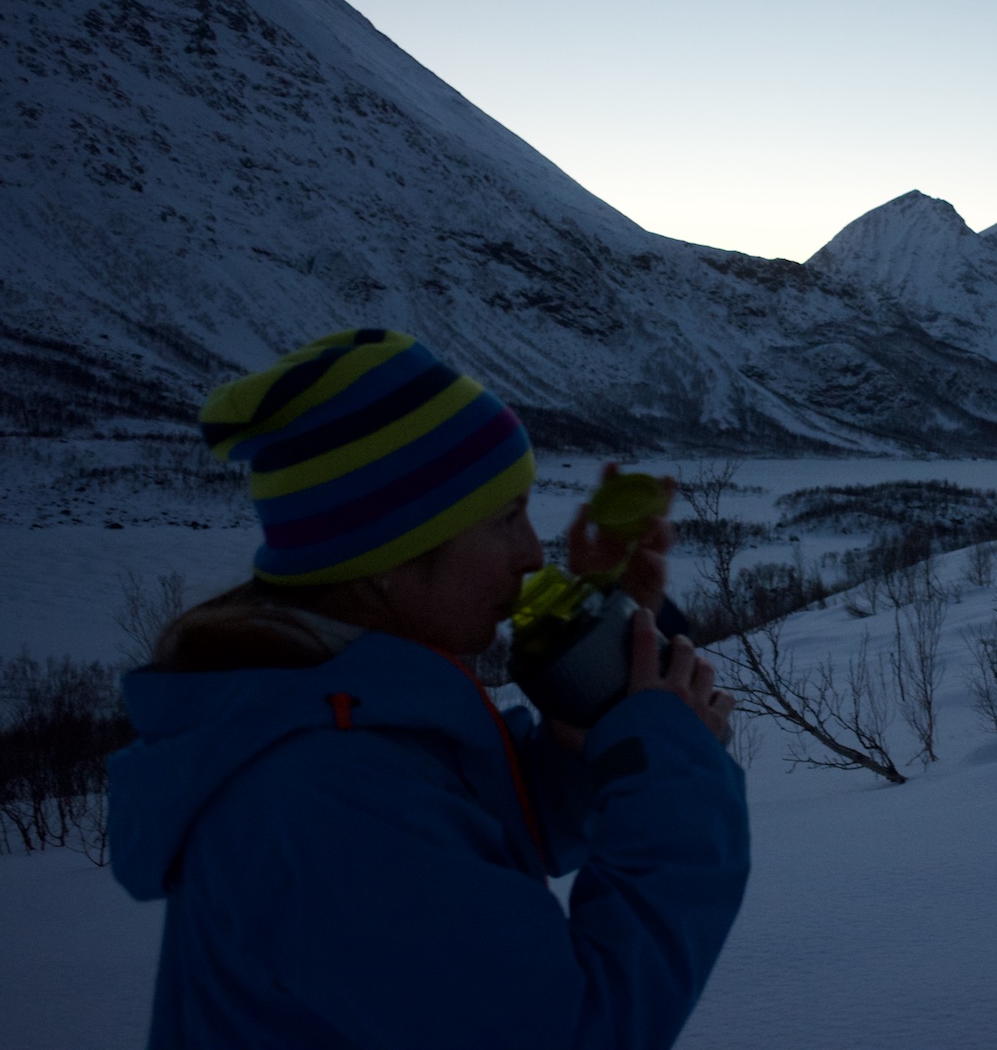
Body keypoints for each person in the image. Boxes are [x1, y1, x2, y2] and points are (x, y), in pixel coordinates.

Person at [108, 329, 748, 1049]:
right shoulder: (322, 795)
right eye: (506, 519)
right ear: (387, 555)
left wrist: (591, 713)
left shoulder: (338, 708)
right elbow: (577, 1029)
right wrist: (676, 778)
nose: (537, 552)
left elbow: (463, 841)